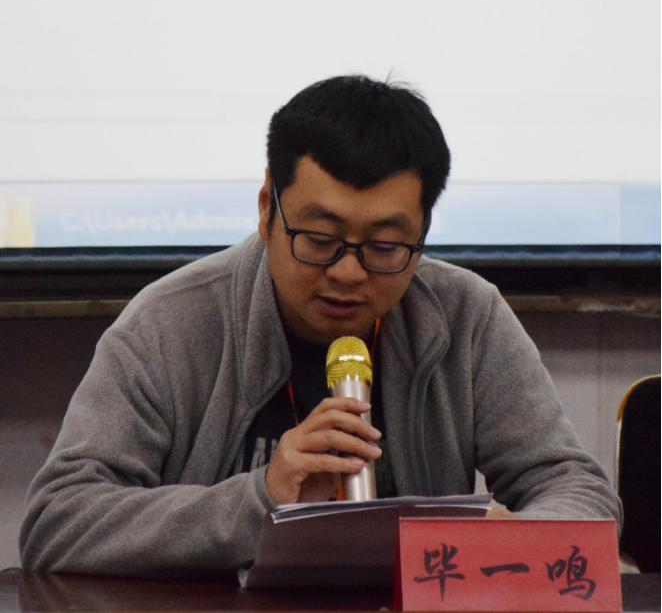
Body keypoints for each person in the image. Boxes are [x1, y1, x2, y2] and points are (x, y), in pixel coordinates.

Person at [20, 75, 622, 577]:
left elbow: (577, 488)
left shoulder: (466, 316)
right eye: (319, 238)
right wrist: (260, 499)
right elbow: (58, 520)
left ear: (422, 233)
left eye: (385, 246)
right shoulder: (170, 323)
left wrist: (511, 543)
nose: (348, 272)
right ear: (267, 208)